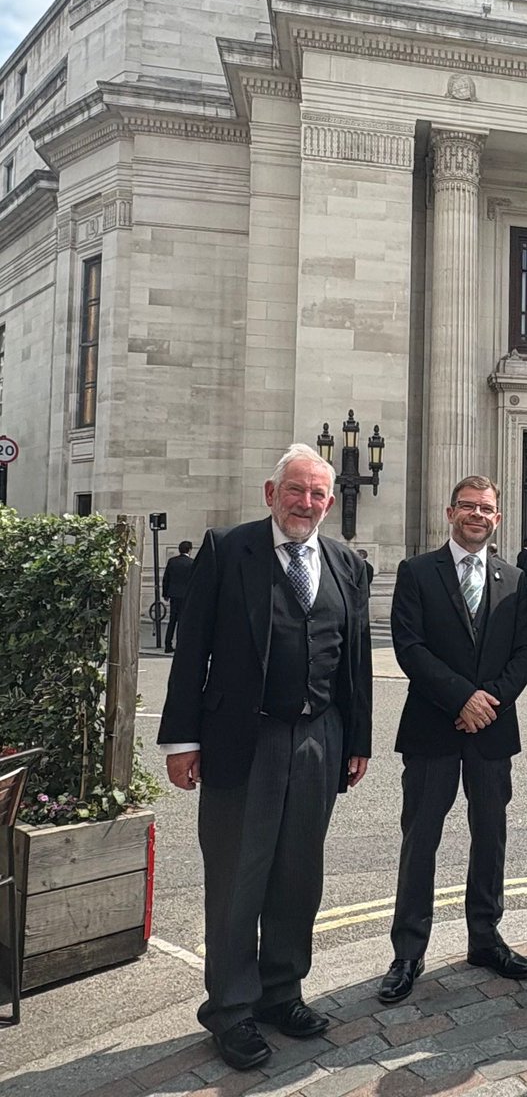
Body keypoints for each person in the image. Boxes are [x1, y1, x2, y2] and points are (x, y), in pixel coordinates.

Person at [158, 444, 373, 1069]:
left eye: (317, 494)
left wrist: (356, 740)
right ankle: (230, 1009)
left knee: (298, 875)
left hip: (319, 738)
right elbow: (192, 647)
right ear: (270, 493)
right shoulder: (229, 549)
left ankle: (282, 992)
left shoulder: (346, 563)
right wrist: (182, 740)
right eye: (296, 490)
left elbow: (355, 658)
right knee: (237, 880)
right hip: (242, 739)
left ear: (328, 502)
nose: (306, 503)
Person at [379, 475, 527, 1004]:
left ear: (498, 518)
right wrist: (461, 699)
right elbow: (410, 647)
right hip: (432, 727)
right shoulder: (417, 572)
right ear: (450, 513)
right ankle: (408, 951)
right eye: (467, 506)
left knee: (490, 836)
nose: (477, 515)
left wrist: (489, 702)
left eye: (486, 509)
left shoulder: (515, 579)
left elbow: (525, 651)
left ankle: (485, 938)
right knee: (420, 839)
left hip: (492, 729)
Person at [162, 540, 194, 654]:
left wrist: (165, 593)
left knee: (172, 620)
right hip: (186, 596)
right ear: (189, 550)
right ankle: (180, 645)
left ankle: (168, 644)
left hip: (174, 595)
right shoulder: (192, 563)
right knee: (182, 621)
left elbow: (166, 579)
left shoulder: (172, 561)